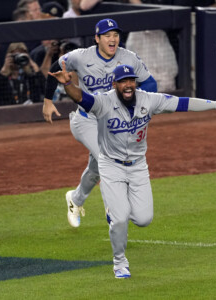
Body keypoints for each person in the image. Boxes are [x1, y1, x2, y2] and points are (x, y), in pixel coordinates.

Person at [49, 62, 216, 278]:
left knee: (143, 219)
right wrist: (68, 83)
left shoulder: (149, 100)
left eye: (131, 80)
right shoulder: (104, 102)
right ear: (115, 84)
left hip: (138, 166)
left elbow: (182, 103)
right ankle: (120, 262)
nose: (128, 85)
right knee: (120, 218)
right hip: (111, 165)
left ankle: (117, 208)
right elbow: (81, 98)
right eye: (123, 81)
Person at [43, 18, 157, 228]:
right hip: (85, 121)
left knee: (96, 168)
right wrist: (48, 100)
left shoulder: (128, 57)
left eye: (115, 35)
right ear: (97, 39)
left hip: (112, 125)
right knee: (108, 160)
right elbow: (54, 68)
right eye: (107, 35)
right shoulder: (80, 56)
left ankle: (75, 200)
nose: (112, 39)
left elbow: (150, 82)